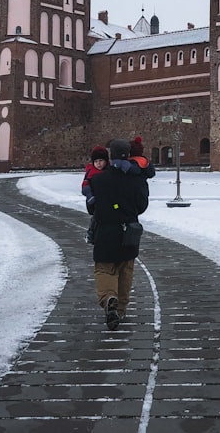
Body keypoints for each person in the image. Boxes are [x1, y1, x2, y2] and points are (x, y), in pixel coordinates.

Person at [88, 138, 150, 330]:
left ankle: (109, 298)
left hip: (105, 231)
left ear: (111, 157)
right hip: (129, 232)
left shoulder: (98, 179)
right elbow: (142, 206)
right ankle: (121, 309)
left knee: (104, 269)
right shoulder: (137, 179)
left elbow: (92, 208)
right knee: (125, 270)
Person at [82, 145, 109, 244]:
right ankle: (91, 233)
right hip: (94, 200)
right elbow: (85, 185)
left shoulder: (109, 171)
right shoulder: (90, 172)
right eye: (96, 161)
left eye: (101, 161)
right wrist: (89, 195)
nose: (99, 164)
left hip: (106, 200)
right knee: (96, 217)